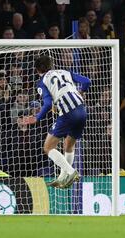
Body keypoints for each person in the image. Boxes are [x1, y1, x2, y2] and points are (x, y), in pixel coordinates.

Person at [24, 56, 91, 189]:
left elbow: (48, 103)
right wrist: (81, 91)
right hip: (82, 111)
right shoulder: (65, 72)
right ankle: (62, 177)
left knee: (48, 147)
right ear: (52, 65)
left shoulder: (42, 82)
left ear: (37, 70)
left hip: (67, 113)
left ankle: (72, 172)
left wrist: (37, 117)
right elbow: (87, 81)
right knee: (68, 145)